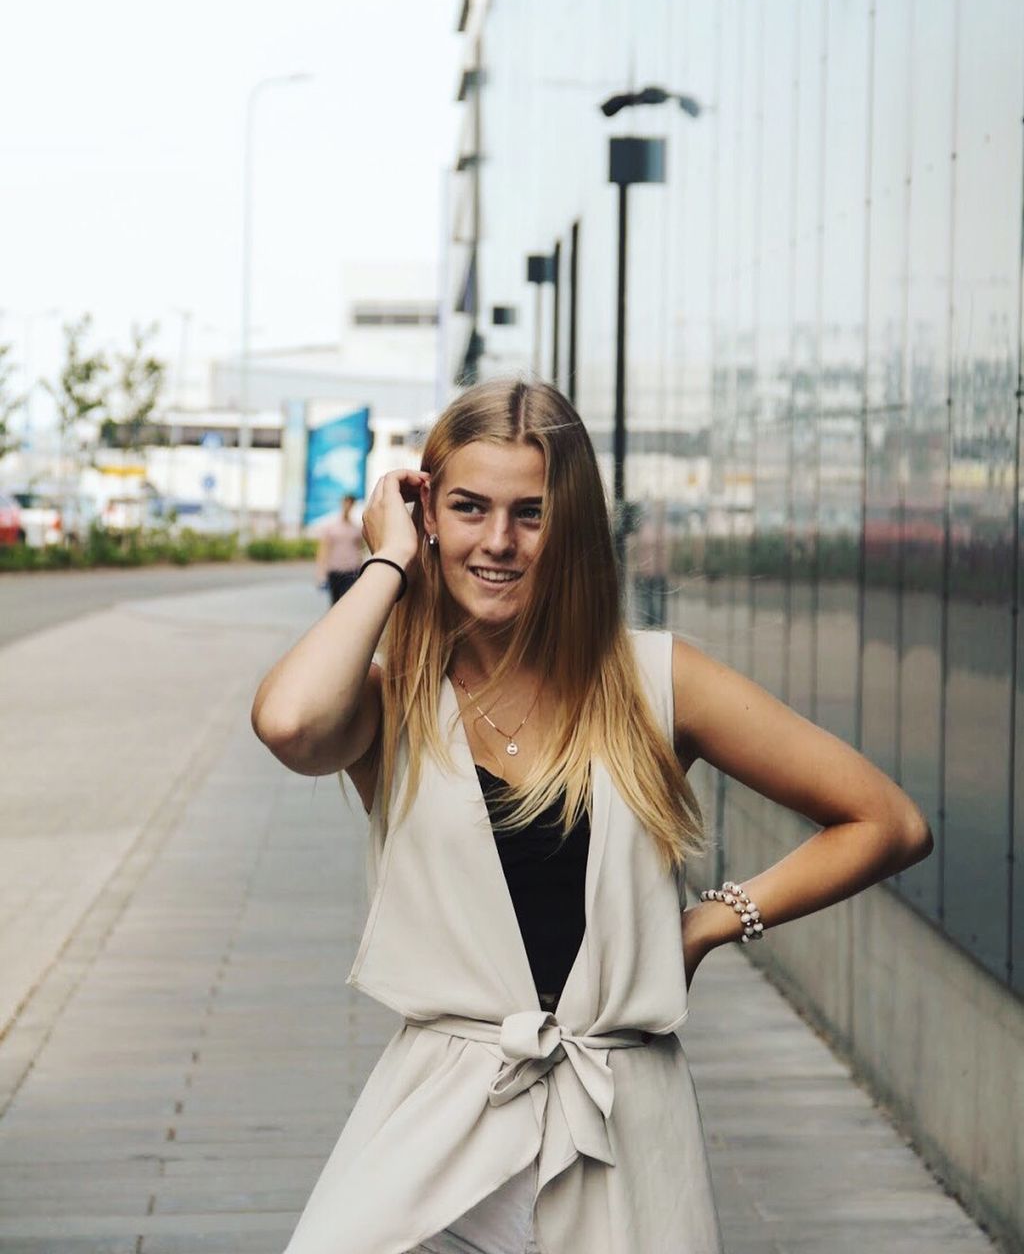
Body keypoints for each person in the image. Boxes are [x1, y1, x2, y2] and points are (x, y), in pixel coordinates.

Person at [252, 379, 932, 1254]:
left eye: (530, 514)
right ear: (429, 517)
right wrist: (386, 562)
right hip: (438, 1124)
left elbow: (886, 821)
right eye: (467, 507)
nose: (498, 542)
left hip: (619, 1123)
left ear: (570, 527)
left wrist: (702, 930)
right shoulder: (396, 701)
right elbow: (289, 723)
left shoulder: (653, 682)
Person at [314, 493, 364, 605]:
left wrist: (361, 570)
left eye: (350, 503)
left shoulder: (356, 528)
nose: (348, 506)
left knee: (347, 602)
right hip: (335, 569)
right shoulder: (331, 526)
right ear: (342, 503)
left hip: (351, 570)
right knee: (335, 602)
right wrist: (320, 573)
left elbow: (359, 549)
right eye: (346, 502)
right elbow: (323, 550)